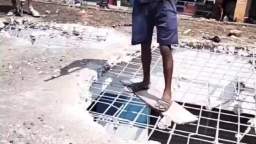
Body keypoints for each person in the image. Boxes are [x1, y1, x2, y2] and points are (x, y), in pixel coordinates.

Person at [127, 0, 178, 112]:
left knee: (165, 47)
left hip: (164, 4)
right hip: (143, 5)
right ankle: (145, 81)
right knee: (144, 43)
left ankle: (167, 91)